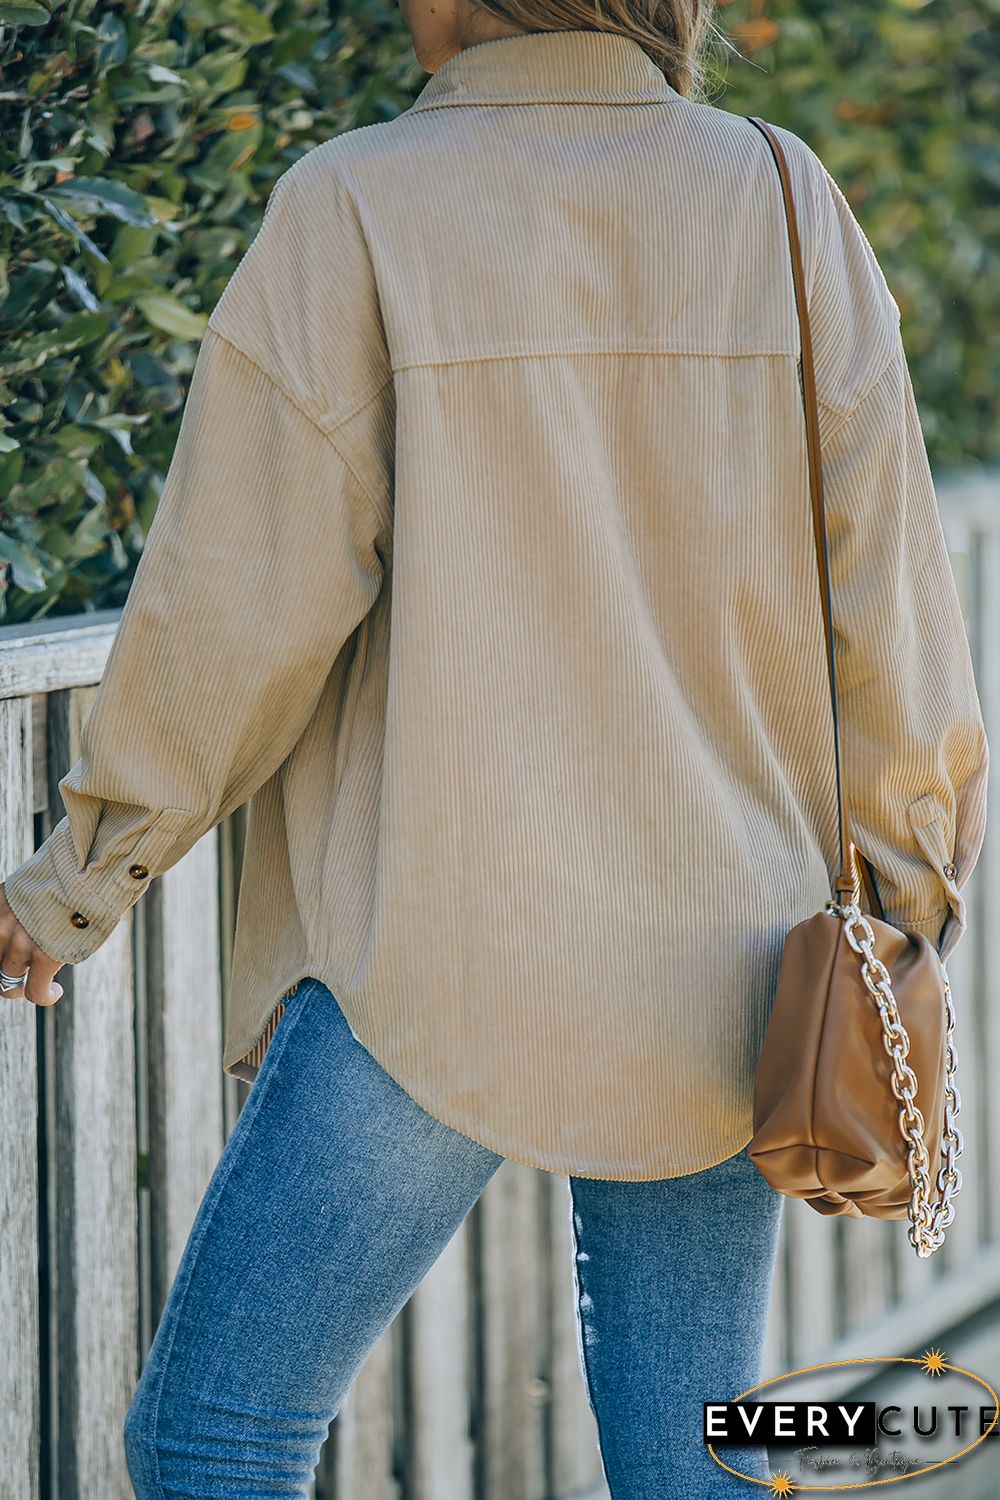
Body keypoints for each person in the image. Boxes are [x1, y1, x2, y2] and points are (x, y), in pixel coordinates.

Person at [0, 2, 988, 1496]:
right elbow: (893, 603)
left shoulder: (352, 205)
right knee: (695, 1456)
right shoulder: (784, 196)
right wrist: (913, 899)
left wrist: (77, 880)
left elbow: (239, 607)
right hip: (735, 967)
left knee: (216, 1439)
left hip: (436, 954)